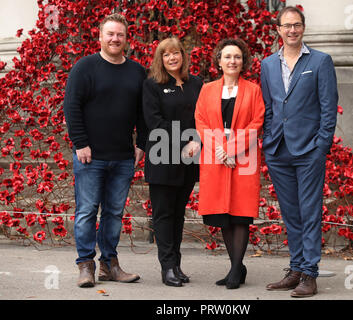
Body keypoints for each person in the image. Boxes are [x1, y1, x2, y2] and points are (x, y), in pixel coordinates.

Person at [63, 13, 147, 288]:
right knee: (87, 210)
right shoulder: (84, 67)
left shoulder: (136, 71)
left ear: (126, 39)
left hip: (123, 157)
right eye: (110, 34)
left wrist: (141, 144)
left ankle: (109, 265)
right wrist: (80, 143)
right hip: (91, 156)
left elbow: (142, 113)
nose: (115, 39)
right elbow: (71, 107)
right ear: (100, 37)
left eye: (120, 35)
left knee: (114, 213)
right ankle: (85, 265)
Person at [261, 6, 338, 297]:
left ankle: (310, 274)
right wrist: (268, 138)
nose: (292, 30)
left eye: (297, 25)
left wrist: (321, 146)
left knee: (309, 212)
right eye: (286, 26)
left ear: (303, 28)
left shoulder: (320, 61)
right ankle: (295, 269)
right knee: (291, 212)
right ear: (278, 30)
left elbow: (328, 108)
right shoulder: (268, 64)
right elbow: (270, 108)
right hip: (278, 149)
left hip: (309, 150)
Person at [195, 38, 265, 290]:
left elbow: (256, 123)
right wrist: (219, 150)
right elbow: (201, 121)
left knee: (240, 213)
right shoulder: (207, 89)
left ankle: (236, 269)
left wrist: (232, 148)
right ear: (219, 61)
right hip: (215, 157)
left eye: (237, 57)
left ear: (243, 61)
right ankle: (237, 266)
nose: (232, 61)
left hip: (243, 158)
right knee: (223, 214)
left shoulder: (253, 90)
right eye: (227, 57)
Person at [143, 37, 203, 287]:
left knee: (178, 214)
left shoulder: (196, 83)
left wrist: (198, 140)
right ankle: (166, 267)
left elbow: (204, 117)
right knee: (164, 214)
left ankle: (176, 265)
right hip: (162, 157)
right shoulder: (152, 85)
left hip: (189, 159)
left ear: (183, 55)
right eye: (166, 54)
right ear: (160, 58)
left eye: (176, 53)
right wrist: (186, 141)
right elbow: (155, 123)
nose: (172, 58)